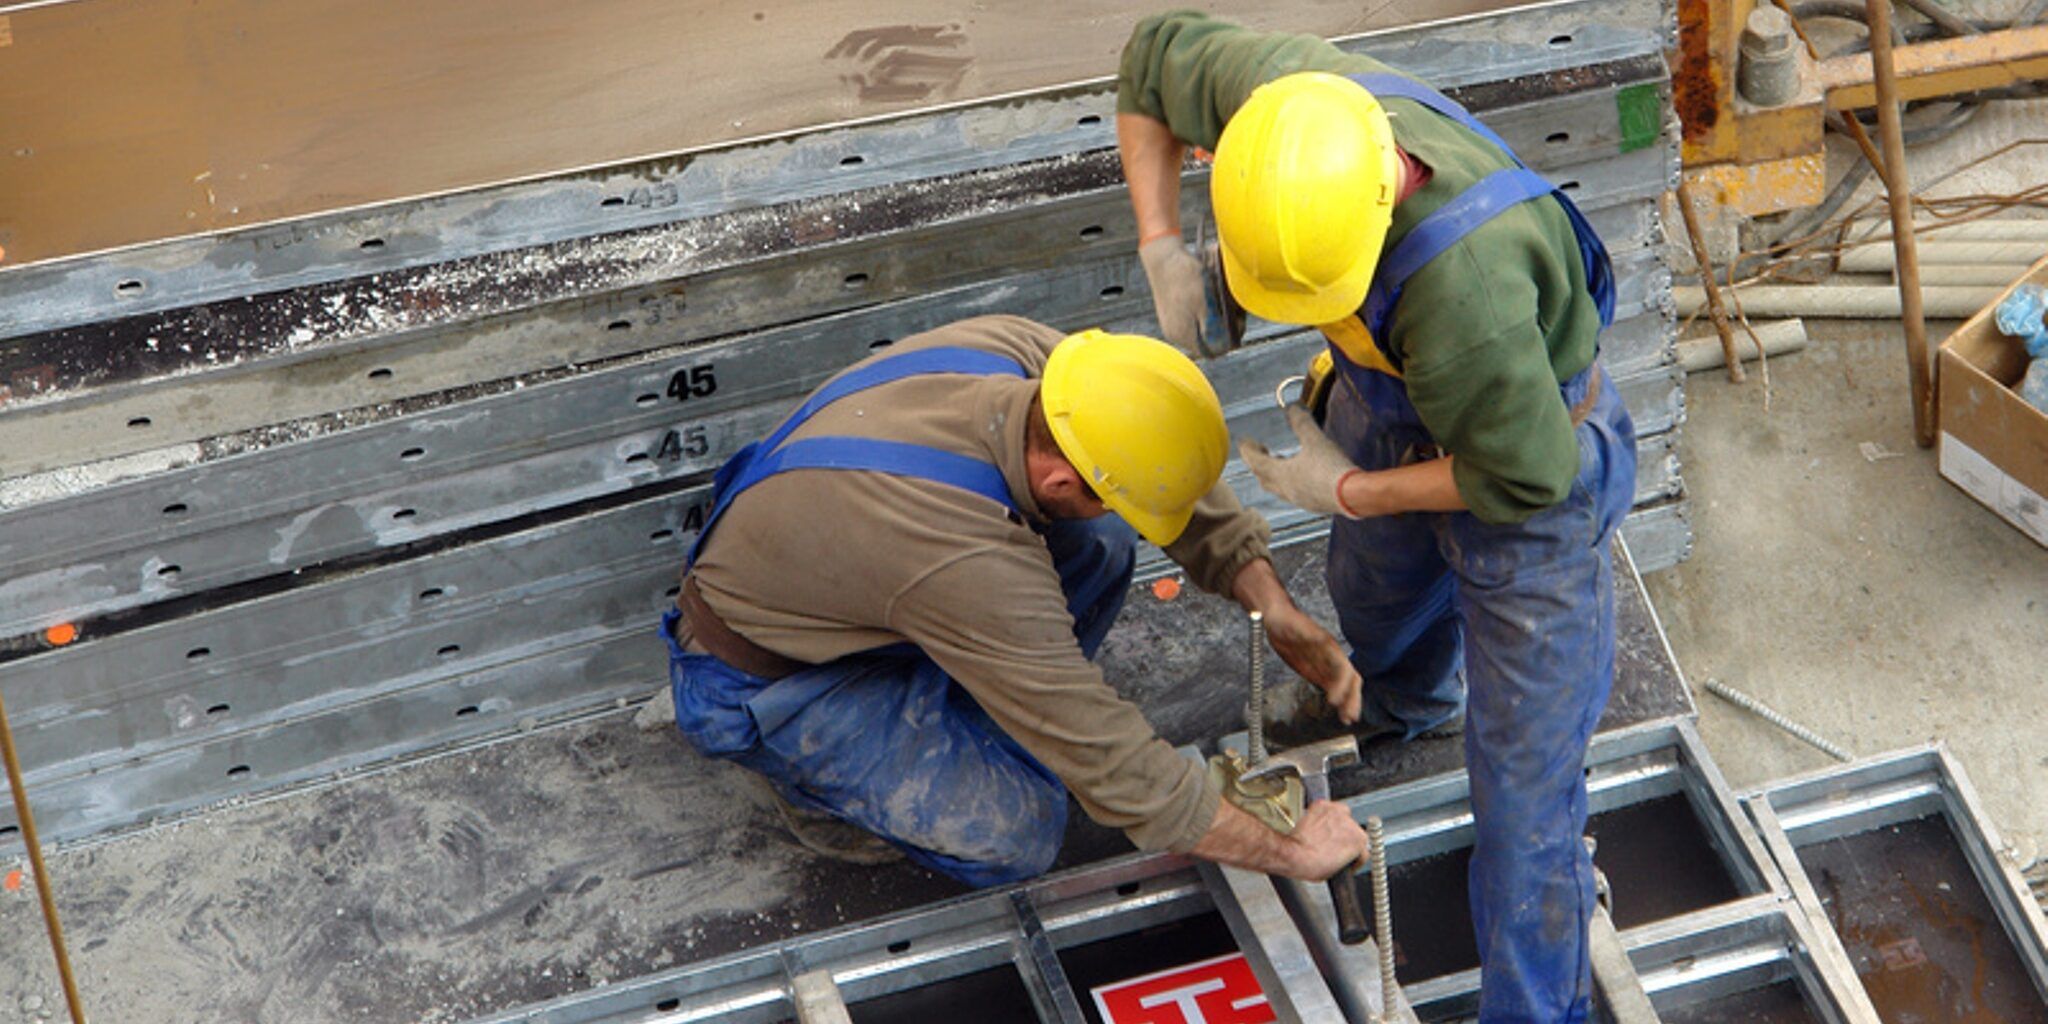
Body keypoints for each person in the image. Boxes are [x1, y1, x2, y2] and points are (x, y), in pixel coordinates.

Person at [1116, 12, 1639, 1023]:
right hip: (1385, 388)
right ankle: (1407, 705)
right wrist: (1159, 244)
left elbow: (1518, 477)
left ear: (1380, 201)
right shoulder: (1285, 95)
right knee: (1373, 599)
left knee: (1525, 798)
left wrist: (1345, 491)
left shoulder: (1468, 294)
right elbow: (1144, 66)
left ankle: (1536, 1012)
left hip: (1530, 462)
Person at [661, 313, 1370, 888]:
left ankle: (978, 699)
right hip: (767, 677)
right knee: (1020, 831)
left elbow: (1157, 461)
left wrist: (1268, 599)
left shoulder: (1032, 361)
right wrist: (1293, 852)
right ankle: (811, 787)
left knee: (1103, 542)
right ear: (1061, 481)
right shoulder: (963, 557)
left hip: (849, 581)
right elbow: (1120, 772)